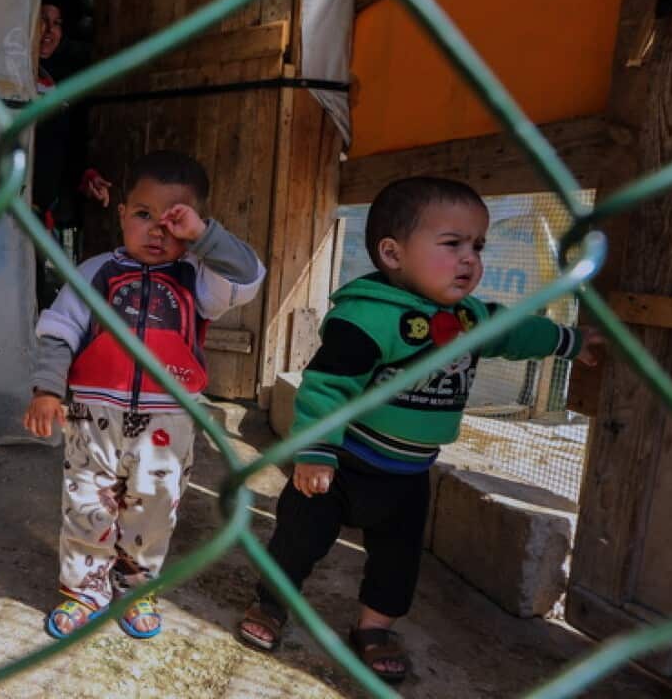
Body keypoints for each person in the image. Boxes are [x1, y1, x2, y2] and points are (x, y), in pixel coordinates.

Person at [236, 177, 603, 682]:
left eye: (478, 246)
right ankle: (271, 604)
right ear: (393, 253)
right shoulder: (366, 318)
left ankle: (374, 628)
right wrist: (315, 450)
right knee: (297, 541)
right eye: (452, 244)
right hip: (342, 464)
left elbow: (514, 330)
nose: (469, 259)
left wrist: (568, 341)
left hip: (408, 474)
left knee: (398, 560)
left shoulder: (471, 317)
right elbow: (326, 386)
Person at [24, 150, 265, 640]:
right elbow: (59, 329)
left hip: (166, 422)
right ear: (120, 214)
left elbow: (249, 277)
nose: (157, 231)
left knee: (154, 508)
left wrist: (204, 237)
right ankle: (84, 590)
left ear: (195, 224)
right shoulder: (94, 272)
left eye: (174, 221)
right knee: (86, 502)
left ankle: (136, 586)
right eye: (143, 214)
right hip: (93, 416)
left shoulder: (200, 278)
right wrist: (47, 389)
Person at [32, 0, 110, 307]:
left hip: (37, 214)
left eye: (58, 23)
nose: (49, 32)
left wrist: (85, 176)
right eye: (41, 20)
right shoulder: (5, 79)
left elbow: (69, 145)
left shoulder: (61, 84)